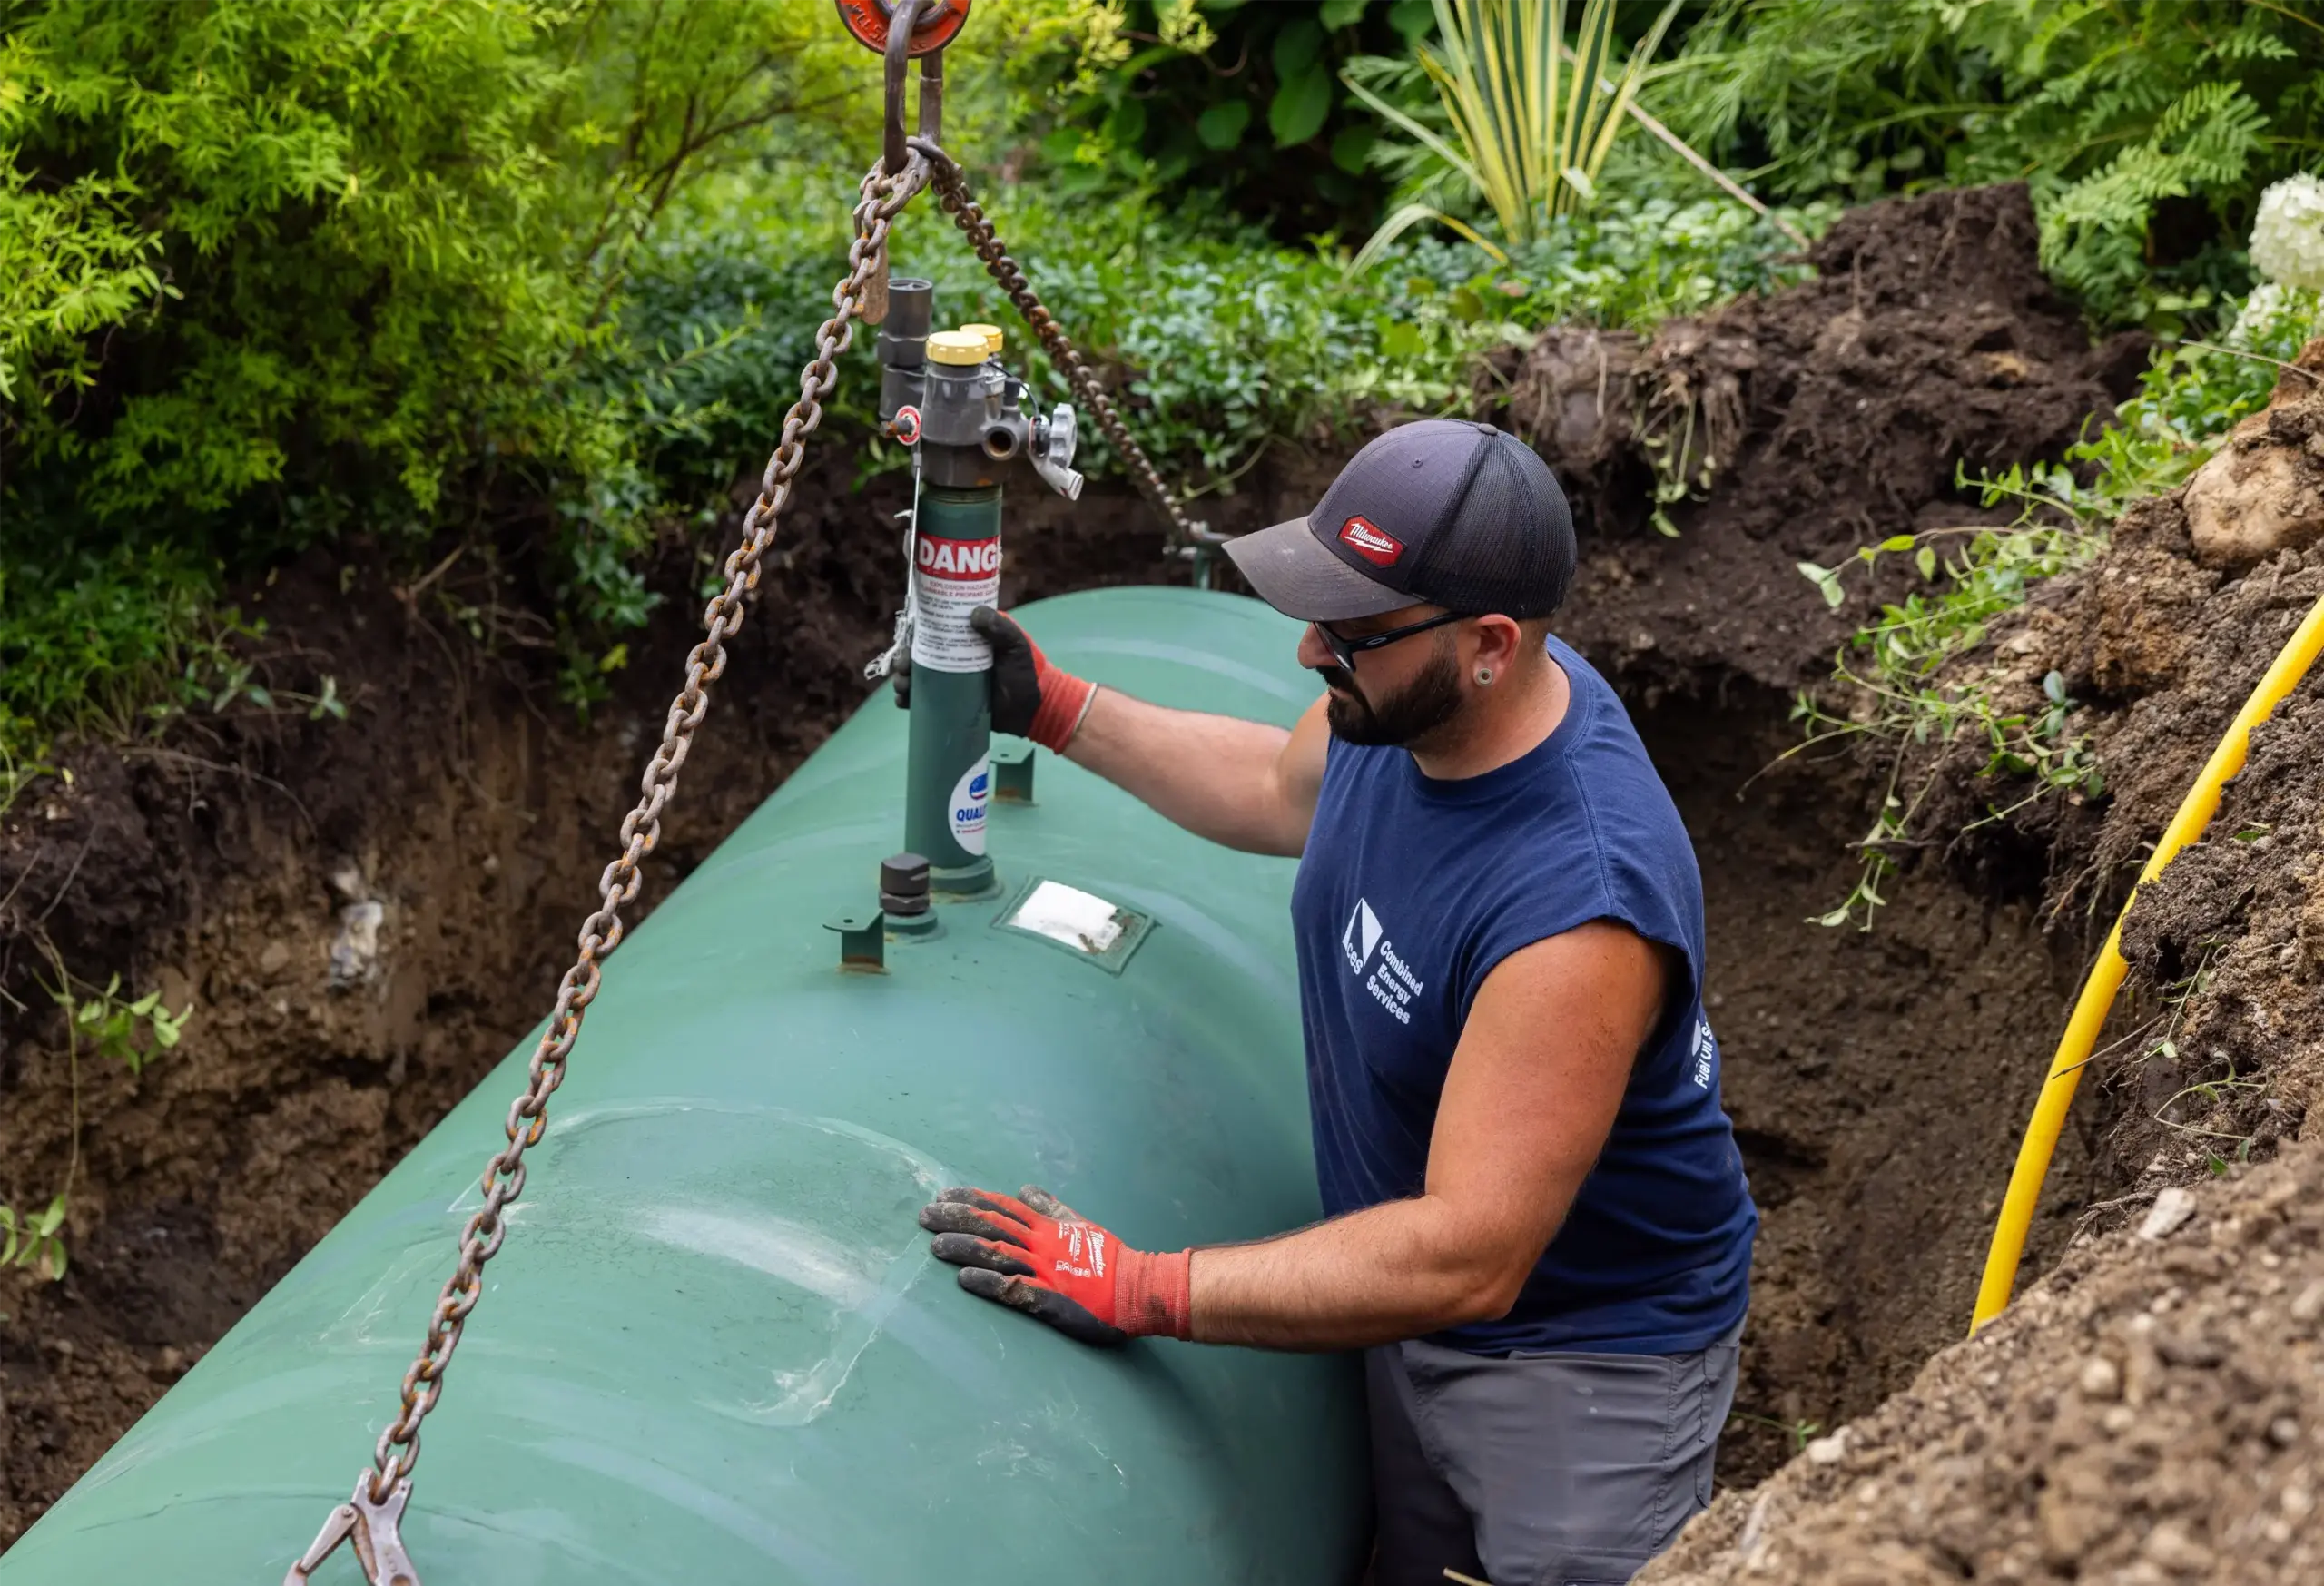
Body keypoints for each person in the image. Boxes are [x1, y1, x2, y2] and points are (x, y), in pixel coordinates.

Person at [915, 419, 1757, 1586]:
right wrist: (1054, 705)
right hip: (1403, 1319)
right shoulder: (1405, 701)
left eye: (1349, 628)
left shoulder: (1577, 912)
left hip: (1578, 1377)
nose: (1312, 648)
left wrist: (1137, 1283)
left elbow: (1469, 1253)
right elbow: (1272, 784)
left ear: (1489, 644)